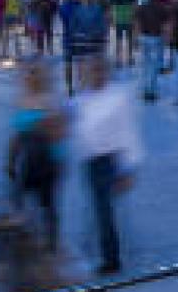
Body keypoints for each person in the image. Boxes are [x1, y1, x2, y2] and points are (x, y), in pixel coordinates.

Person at [68, 54, 142, 275]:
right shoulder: (81, 98)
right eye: (93, 71)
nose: (96, 75)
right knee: (99, 208)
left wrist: (128, 168)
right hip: (90, 163)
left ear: (107, 73)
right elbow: (69, 122)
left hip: (110, 162)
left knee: (104, 211)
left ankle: (111, 259)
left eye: (100, 70)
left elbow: (129, 134)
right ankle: (101, 249)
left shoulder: (118, 98)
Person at [7, 63, 67, 252]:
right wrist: (9, 160)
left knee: (47, 202)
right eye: (28, 74)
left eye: (35, 74)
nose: (30, 78)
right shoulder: (21, 99)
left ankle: (51, 241)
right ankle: (30, 231)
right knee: (19, 196)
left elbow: (59, 133)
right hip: (27, 158)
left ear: (42, 77)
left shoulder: (51, 100)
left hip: (47, 159)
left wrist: (59, 159)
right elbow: (16, 134)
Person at [135, 0, 168, 102]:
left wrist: (137, 38)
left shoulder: (141, 8)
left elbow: (137, 24)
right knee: (154, 66)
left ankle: (146, 89)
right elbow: (165, 27)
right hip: (156, 38)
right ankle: (151, 91)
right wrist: (166, 39)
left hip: (144, 38)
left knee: (145, 65)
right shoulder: (162, 8)